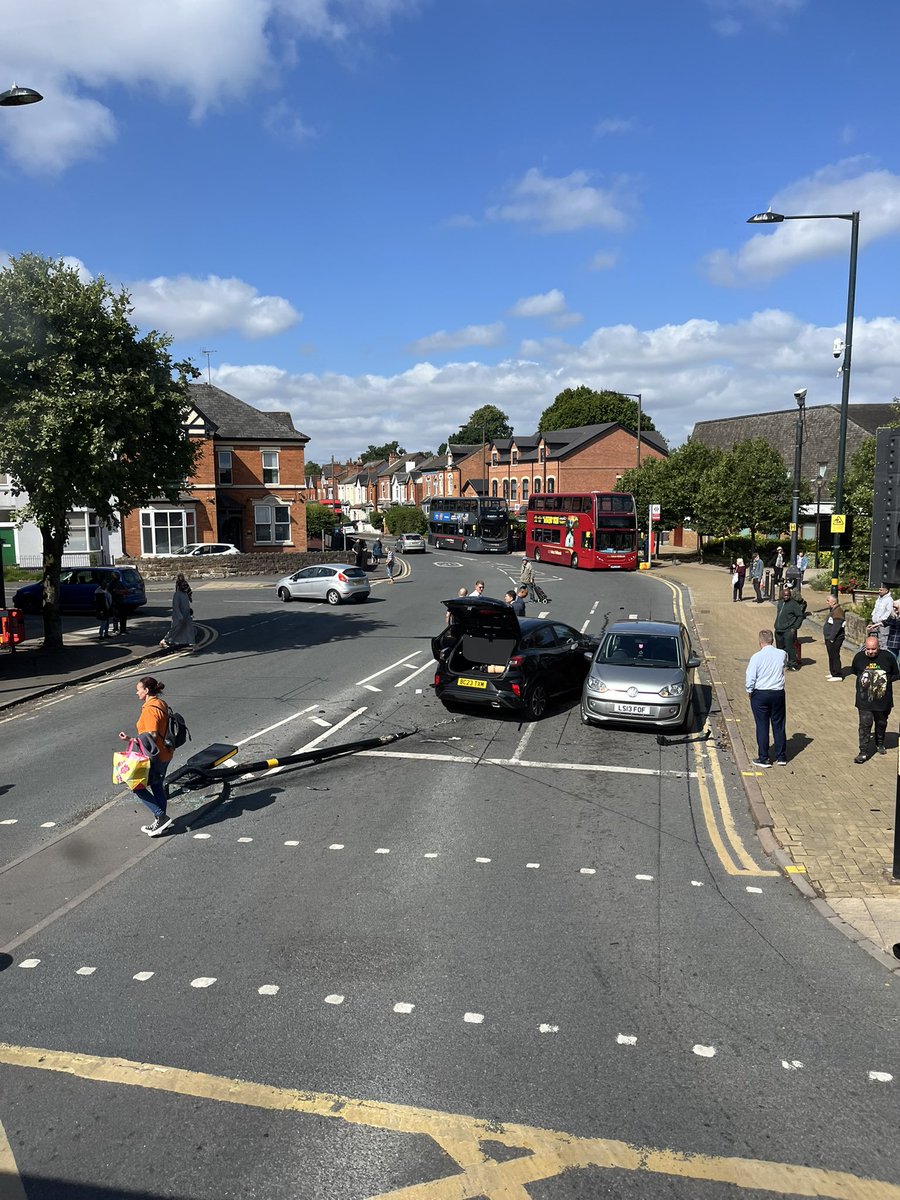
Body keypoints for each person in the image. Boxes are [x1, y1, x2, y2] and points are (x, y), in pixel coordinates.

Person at [118, 676, 174, 836]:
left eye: (138, 689)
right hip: (165, 752)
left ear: (146, 690)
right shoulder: (161, 703)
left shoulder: (150, 709)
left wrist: (133, 740)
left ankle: (160, 815)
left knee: (135, 785)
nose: (137, 692)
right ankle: (161, 822)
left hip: (154, 755)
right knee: (157, 786)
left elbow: (152, 735)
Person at [850, 635, 900, 762]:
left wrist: (883, 680)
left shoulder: (888, 657)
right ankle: (863, 751)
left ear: (879, 647)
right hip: (864, 700)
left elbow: (896, 674)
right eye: (868, 649)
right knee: (865, 725)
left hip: (883, 700)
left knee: (881, 723)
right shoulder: (859, 657)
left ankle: (880, 742)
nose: (871, 652)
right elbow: (855, 671)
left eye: (873, 649)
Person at [745, 629, 788, 767]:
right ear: (772, 640)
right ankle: (781, 757)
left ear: (760, 642)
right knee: (779, 724)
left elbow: (750, 677)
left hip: (760, 694)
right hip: (778, 693)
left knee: (762, 725)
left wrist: (749, 691)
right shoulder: (782, 654)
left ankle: (764, 758)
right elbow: (784, 667)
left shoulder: (756, 657)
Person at [160, 574, 195, 650]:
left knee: (189, 629)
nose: (186, 588)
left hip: (186, 615)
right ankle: (164, 640)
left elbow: (187, 604)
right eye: (184, 586)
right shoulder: (177, 595)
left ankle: (192, 644)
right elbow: (176, 607)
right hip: (179, 617)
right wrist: (180, 616)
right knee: (175, 630)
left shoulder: (185, 594)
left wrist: (189, 611)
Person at [774, 586, 804, 670]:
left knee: (789, 648)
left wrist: (794, 627)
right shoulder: (780, 603)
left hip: (788, 630)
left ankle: (793, 664)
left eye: (787, 595)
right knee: (780, 648)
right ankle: (781, 663)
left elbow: (800, 616)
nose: (786, 597)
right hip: (778, 629)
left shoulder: (794, 604)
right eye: (784, 595)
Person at [821, 594, 846, 681]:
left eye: (828, 600)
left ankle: (837, 674)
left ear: (834, 602)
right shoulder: (833, 610)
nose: (827, 602)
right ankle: (833, 672)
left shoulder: (838, 611)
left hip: (835, 638)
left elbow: (837, 626)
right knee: (831, 655)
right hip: (829, 637)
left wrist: (832, 637)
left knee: (835, 655)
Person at [867, 583, 894, 651]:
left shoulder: (889, 600)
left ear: (886, 591)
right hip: (875, 623)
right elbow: (875, 609)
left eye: (881, 590)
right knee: (875, 641)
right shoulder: (879, 599)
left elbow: (889, 612)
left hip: (883, 624)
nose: (879, 591)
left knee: (883, 641)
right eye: (879, 590)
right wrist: (873, 616)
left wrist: (882, 620)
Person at [109, 570, 129, 637]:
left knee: (123, 616)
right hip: (115, 601)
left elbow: (124, 590)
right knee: (115, 616)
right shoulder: (111, 584)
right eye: (116, 576)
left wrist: (124, 591)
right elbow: (115, 591)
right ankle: (116, 629)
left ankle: (123, 629)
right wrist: (122, 592)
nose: (117, 577)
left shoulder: (119, 583)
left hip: (121, 601)